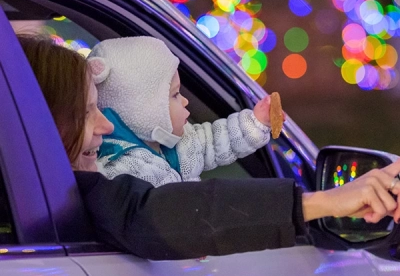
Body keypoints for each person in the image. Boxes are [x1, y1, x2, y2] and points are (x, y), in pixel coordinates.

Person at [18, 34, 400, 261]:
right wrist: (325, 203)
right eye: (88, 112)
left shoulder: (47, 193)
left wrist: (255, 124)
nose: (105, 123)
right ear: (42, 122)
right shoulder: (102, 178)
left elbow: (214, 142)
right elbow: (151, 215)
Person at [88, 36, 280, 187]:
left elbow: (216, 141)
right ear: (146, 111)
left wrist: (256, 122)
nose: (185, 100)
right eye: (175, 95)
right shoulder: (119, 171)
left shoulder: (178, 142)